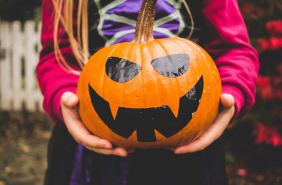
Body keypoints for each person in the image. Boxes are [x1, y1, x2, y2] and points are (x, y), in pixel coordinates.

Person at [37, 0, 259, 184]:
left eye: (173, 67)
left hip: (189, 144)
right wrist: (63, 97)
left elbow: (234, 49)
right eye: (120, 71)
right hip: (91, 146)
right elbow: (57, 57)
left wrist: (231, 92)